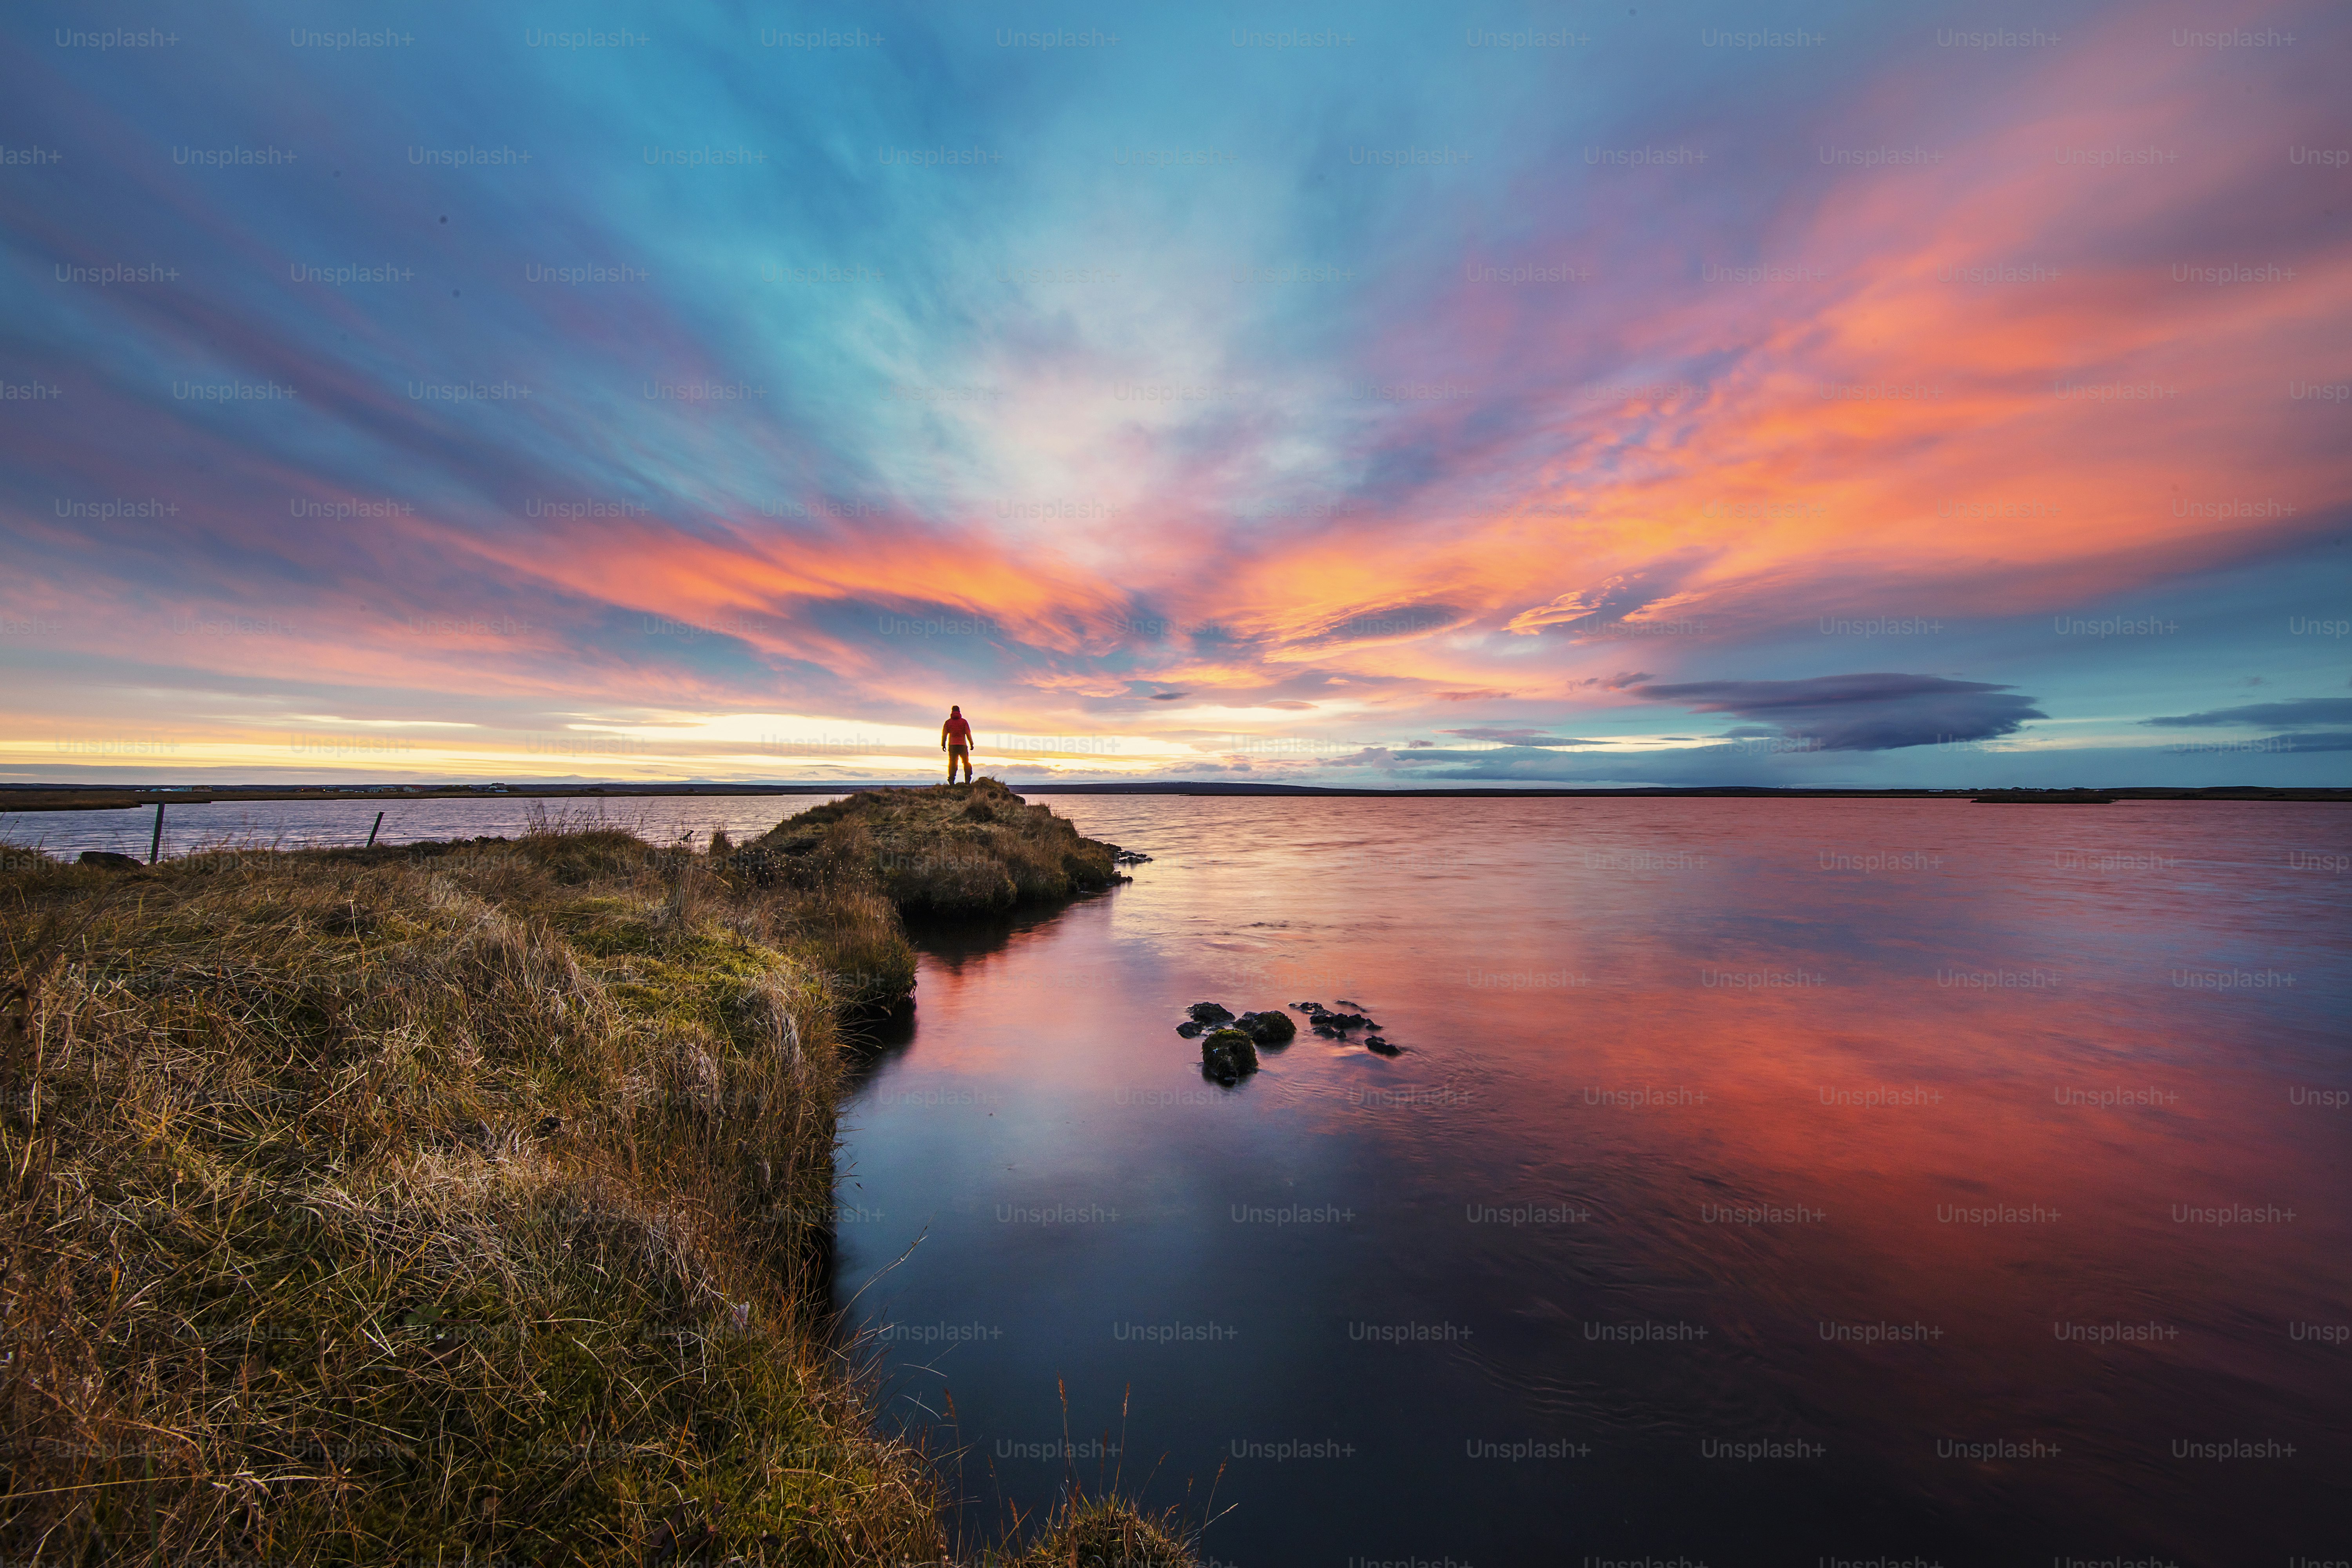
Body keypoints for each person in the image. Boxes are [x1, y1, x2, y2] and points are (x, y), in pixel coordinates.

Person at [941, 705, 974, 783]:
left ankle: (951, 780)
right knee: (966, 763)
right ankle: (967, 781)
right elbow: (968, 733)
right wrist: (971, 744)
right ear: (959, 711)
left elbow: (944, 734)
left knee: (953, 763)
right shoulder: (964, 722)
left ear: (952, 712)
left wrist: (943, 744)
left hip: (952, 746)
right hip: (962, 745)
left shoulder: (948, 722)